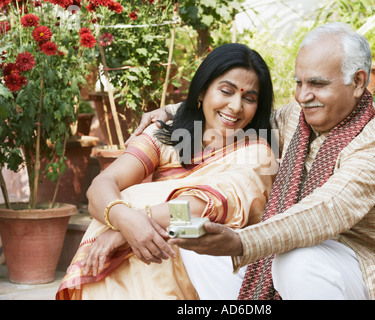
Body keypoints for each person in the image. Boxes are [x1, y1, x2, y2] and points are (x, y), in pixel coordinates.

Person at [131, 22, 375, 300]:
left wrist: (242, 242)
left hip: (362, 265)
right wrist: (173, 109)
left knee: (297, 259)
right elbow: (240, 116)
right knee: (198, 241)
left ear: (357, 82)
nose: (303, 96)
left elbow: (326, 211)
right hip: (287, 246)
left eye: (317, 84)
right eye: (299, 82)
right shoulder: (298, 117)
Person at [55, 43, 279, 300]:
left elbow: (200, 207)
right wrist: (125, 222)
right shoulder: (168, 136)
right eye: (226, 91)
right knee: (122, 200)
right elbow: (102, 184)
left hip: (201, 263)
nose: (236, 106)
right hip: (149, 252)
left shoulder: (258, 152)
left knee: (166, 216)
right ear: (203, 90)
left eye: (249, 98)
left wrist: (129, 228)